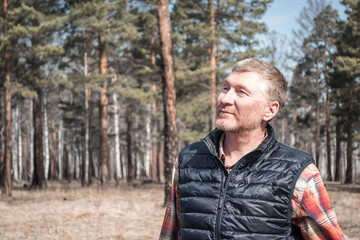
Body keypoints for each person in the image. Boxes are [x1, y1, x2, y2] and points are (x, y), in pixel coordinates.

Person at [159, 58, 348, 240]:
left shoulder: (298, 173)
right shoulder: (188, 160)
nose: (225, 98)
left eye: (241, 92)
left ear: (270, 110)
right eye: (225, 88)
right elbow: (169, 234)